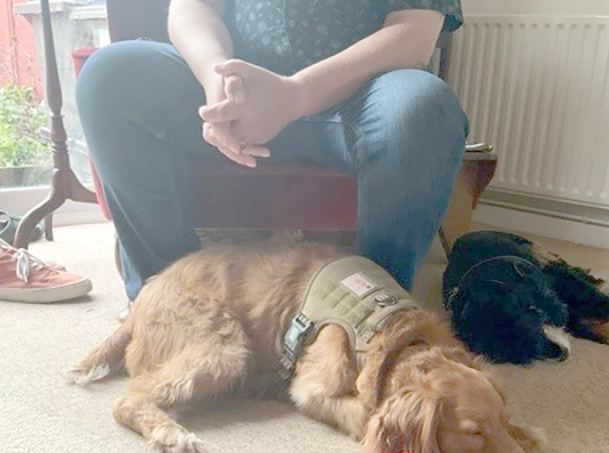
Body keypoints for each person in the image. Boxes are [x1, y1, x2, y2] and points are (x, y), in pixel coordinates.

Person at [76, 0, 467, 300]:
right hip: (230, 87)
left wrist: (296, 92)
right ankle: (168, 300)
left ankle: (364, 311)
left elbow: (414, 32)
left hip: (359, 95)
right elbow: (192, 8)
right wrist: (217, 80)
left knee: (424, 107)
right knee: (108, 75)